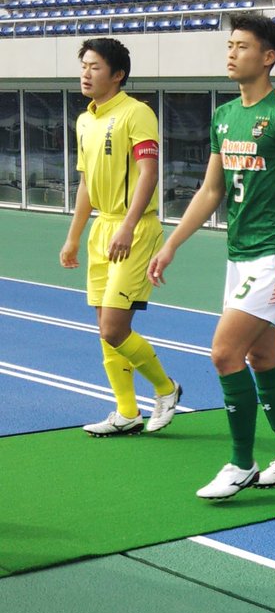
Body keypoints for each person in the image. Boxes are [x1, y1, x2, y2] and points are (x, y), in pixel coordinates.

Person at [148, 14, 275, 500]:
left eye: (242, 46)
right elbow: (211, 190)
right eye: (230, 44)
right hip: (238, 255)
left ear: (268, 57)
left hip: (272, 255)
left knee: (224, 353)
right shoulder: (223, 116)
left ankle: (241, 464)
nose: (231, 52)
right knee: (262, 357)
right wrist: (172, 242)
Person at [59, 38, 181, 437]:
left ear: (117, 74)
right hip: (102, 228)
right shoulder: (84, 120)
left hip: (136, 227)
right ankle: (127, 411)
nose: (86, 73)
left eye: (95, 67)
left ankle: (166, 389)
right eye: (84, 66)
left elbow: (149, 173)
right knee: (103, 327)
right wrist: (74, 237)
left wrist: (127, 226)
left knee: (114, 328)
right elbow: (85, 184)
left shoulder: (137, 113)